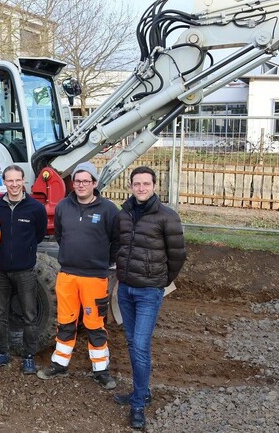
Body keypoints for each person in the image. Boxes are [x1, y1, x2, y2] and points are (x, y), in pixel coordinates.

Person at [113, 166, 187, 430]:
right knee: (133, 343)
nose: (141, 188)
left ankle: (138, 406)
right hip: (125, 290)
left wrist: (161, 282)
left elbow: (178, 255)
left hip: (148, 292)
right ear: (130, 186)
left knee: (141, 347)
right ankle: (140, 392)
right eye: (137, 184)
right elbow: (118, 245)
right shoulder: (124, 214)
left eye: (146, 184)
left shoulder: (167, 217)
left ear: (155, 186)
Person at [37, 161, 120, 390]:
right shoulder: (63, 206)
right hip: (67, 276)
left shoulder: (109, 210)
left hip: (94, 278)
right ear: (72, 184)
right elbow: (61, 236)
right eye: (77, 181)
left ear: (94, 183)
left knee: (95, 325)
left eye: (86, 181)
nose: (81, 185)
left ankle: (101, 370)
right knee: (65, 322)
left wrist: (104, 262)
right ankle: (60, 364)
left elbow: (117, 240)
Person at [0, 165, 47, 375]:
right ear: (4, 182)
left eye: (17, 180)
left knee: (29, 315)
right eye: (9, 181)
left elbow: (39, 234)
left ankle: (28, 356)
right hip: (0, 270)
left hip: (25, 271)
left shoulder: (35, 208)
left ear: (24, 182)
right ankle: (2, 351)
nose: (14, 185)